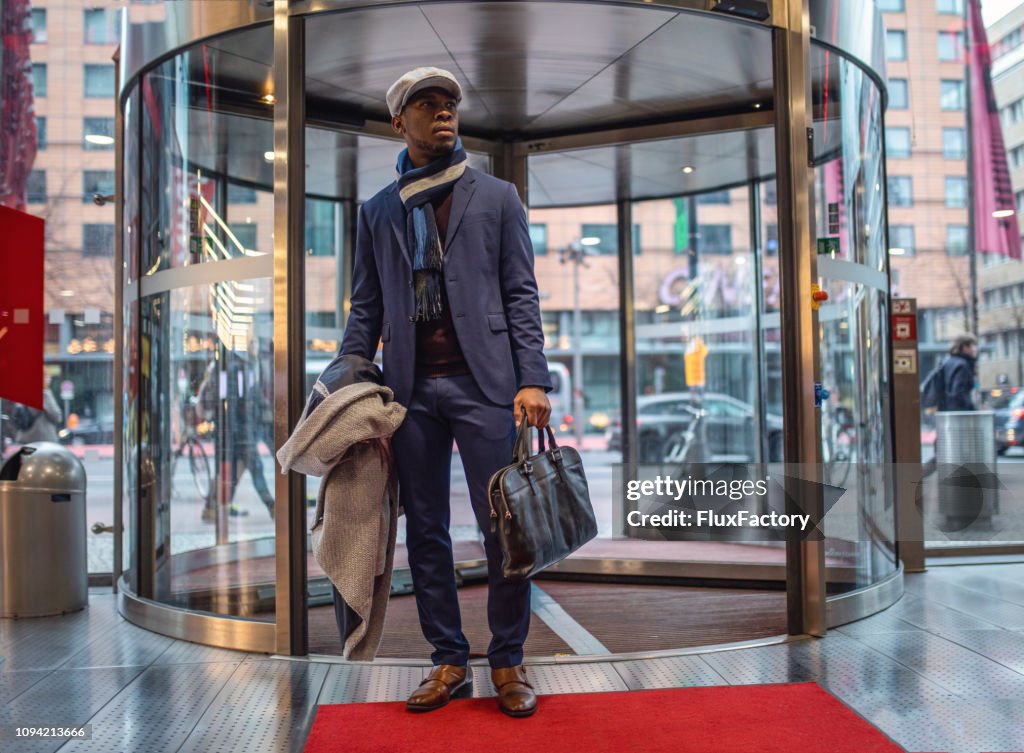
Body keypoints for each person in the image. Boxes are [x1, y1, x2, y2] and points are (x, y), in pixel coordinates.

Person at [340, 67, 552, 718]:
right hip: (410, 393)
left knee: (504, 529)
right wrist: (342, 379)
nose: (444, 113)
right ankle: (449, 659)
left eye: (451, 103)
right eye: (427, 104)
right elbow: (365, 310)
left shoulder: (497, 197)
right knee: (425, 531)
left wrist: (533, 377)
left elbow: (521, 294)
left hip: (486, 386)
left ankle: (508, 658)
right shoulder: (378, 212)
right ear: (398, 121)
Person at [13, 370, 62, 444]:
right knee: (45, 456)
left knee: (25, 455)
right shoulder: (44, 394)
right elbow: (56, 416)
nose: (50, 379)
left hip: (24, 437)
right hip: (42, 439)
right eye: (48, 377)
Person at [939, 333, 978, 411]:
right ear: (964, 347)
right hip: (960, 413)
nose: (973, 349)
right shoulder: (963, 365)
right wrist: (970, 408)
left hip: (946, 409)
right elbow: (958, 391)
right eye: (970, 346)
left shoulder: (946, 362)